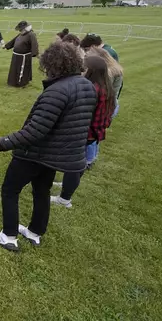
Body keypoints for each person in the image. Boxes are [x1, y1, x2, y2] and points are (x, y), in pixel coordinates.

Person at [0, 42, 96, 251]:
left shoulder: (57, 91)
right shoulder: (85, 85)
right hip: (55, 154)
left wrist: (0, 144)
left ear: (52, 64)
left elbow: (35, 130)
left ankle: (9, 236)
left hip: (36, 153)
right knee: (41, 191)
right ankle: (35, 232)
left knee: (10, 189)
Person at [51, 54, 115, 209]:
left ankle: (64, 199)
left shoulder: (93, 89)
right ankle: (66, 185)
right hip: (94, 132)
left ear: (91, 70)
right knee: (77, 163)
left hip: (85, 132)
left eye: (84, 68)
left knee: (74, 164)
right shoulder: (107, 87)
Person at [4, 21, 39, 88]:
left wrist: (35, 53)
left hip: (24, 57)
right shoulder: (20, 34)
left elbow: (34, 44)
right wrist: (6, 46)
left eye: (21, 29)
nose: (20, 31)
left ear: (26, 28)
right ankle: (13, 81)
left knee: (22, 70)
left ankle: (21, 83)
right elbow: (13, 41)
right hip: (16, 56)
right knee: (14, 70)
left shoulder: (31, 35)